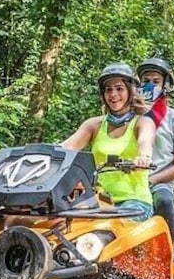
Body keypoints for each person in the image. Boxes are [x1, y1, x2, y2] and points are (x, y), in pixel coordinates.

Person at [61, 63, 156, 221]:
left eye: (119, 88)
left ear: (130, 91)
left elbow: (145, 142)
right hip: (99, 200)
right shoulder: (93, 125)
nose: (113, 94)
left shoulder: (142, 123)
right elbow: (66, 147)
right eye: (108, 89)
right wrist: (43, 155)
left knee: (113, 228)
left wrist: (144, 157)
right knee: (67, 223)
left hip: (134, 202)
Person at [136, 57, 174, 238]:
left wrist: (152, 180)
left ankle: (167, 248)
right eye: (145, 81)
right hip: (127, 181)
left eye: (156, 81)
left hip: (159, 182)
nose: (150, 85)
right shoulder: (129, 116)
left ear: (165, 85)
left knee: (163, 200)